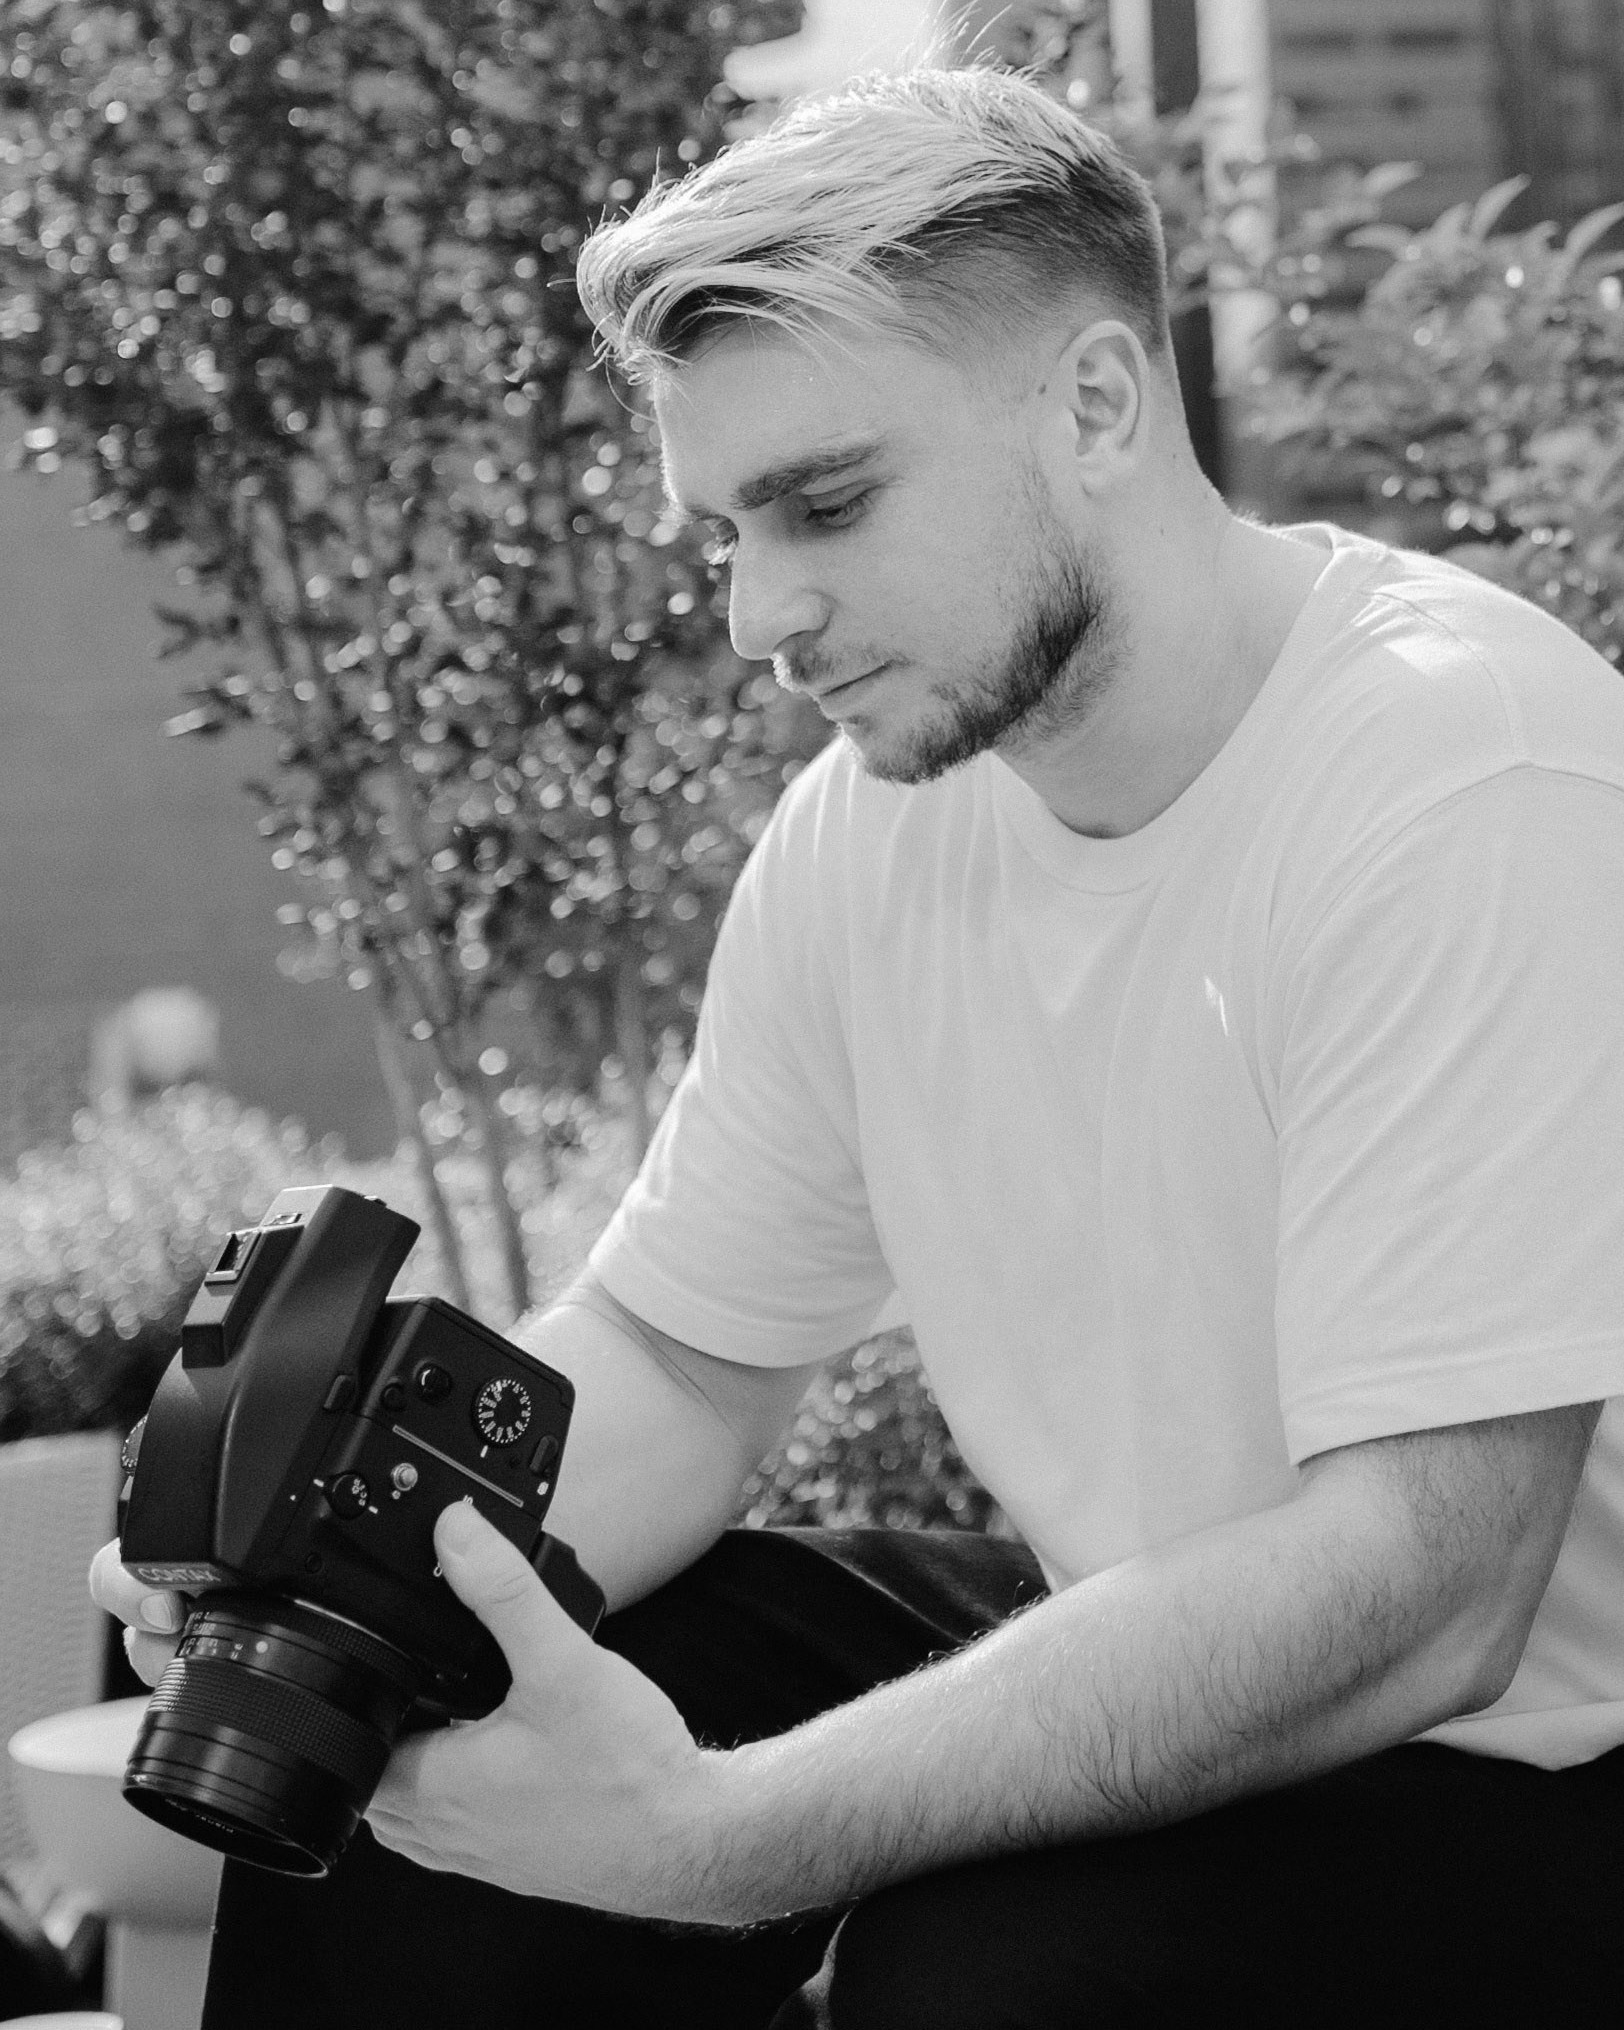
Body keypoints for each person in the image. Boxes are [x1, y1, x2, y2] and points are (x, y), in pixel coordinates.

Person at [92, 66, 1624, 2028]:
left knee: (975, 1982)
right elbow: (677, 1361)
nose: (756, 613)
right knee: (413, 1740)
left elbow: (1429, 1584)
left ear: (1096, 405)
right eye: (723, 532)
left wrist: (721, 1835)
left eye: (825, 503)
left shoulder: (1459, 775)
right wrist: (335, 1585)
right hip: (1161, 1623)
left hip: (1538, 1752)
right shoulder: (874, 831)